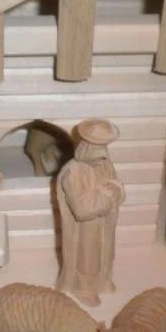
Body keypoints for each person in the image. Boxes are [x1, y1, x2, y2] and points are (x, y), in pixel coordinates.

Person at [56, 119, 125, 307]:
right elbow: (82, 210)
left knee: (105, 251)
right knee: (87, 257)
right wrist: (107, 194)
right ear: (85, 146)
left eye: (104, 147)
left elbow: (116, 185)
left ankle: (102, 280)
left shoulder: (103, 165)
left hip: (103, 222)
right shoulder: (73, 172)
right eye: (97, 147)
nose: (102, 153)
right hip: (85, 228)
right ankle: (83, 288)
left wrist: (116, 191)